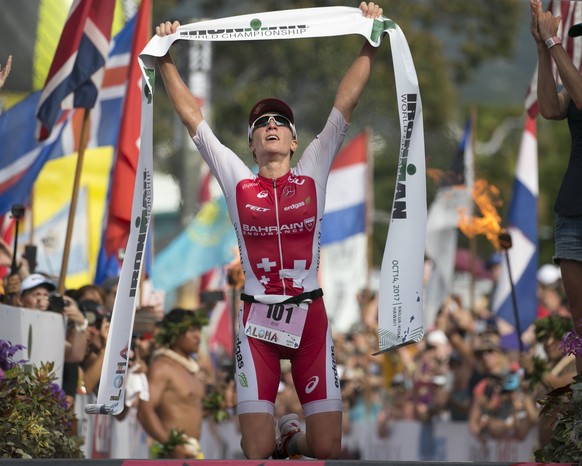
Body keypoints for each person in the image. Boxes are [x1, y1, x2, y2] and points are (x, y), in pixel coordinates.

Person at [155, 2, 383, 460]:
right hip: (257, 321)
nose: (272, 126)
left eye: (280, 122)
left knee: (326, 448)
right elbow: (193, 121)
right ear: (253, 144)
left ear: (295, 141)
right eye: (261, 124)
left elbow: (345, 102)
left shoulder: (313, 171)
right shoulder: (238, 178)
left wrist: (370, 40)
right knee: (255, 451)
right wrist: (164, 57)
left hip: (309, 317)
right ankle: (275, 438)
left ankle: (291, 435)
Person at [530, 0, 582, 373]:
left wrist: (554, 43)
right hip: (573, 210)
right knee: (579, 317)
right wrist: (541, 48)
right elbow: (549, 107)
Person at [137, 308, 209, 459]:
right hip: (168, 454)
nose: (198, 336)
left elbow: (190, 408)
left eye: (198, 330)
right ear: (175, 333)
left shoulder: (193, 369)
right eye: (191, 330)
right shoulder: (162, 367)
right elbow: (144, 411)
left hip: (191, 452)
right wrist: (171, 445)